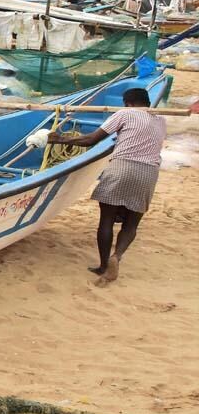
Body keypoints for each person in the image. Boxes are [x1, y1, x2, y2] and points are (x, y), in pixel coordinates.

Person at [46, 88, 166, 285]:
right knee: (132, 223)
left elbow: (90, 140)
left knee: (107, 219)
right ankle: (116, 256)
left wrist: (60, 139)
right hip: (149, 172)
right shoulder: (161, 120)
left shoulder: (124, 114)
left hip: (122, 166)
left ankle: (103, 266)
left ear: (127, 103)